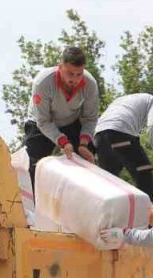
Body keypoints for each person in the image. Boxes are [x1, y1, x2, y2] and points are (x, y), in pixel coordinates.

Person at [24, 46, 101, 195]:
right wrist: (63, 142)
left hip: (71, 121)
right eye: (70, 73)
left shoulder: (90, 84)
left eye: (79, 74)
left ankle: (82, 200)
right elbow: (44, 121)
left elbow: (90, 118)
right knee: (32, 166)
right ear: (60, 67)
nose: (74, 79)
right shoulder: (43, 82)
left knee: (89, 157)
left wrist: (84, 143)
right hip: (41, 124)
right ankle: (31, 209)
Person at [94, 93, 153, 202]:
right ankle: (146, 215)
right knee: (144, 175)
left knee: (108, 181)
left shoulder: (122, 100)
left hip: (99, 136)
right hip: (120, 132)